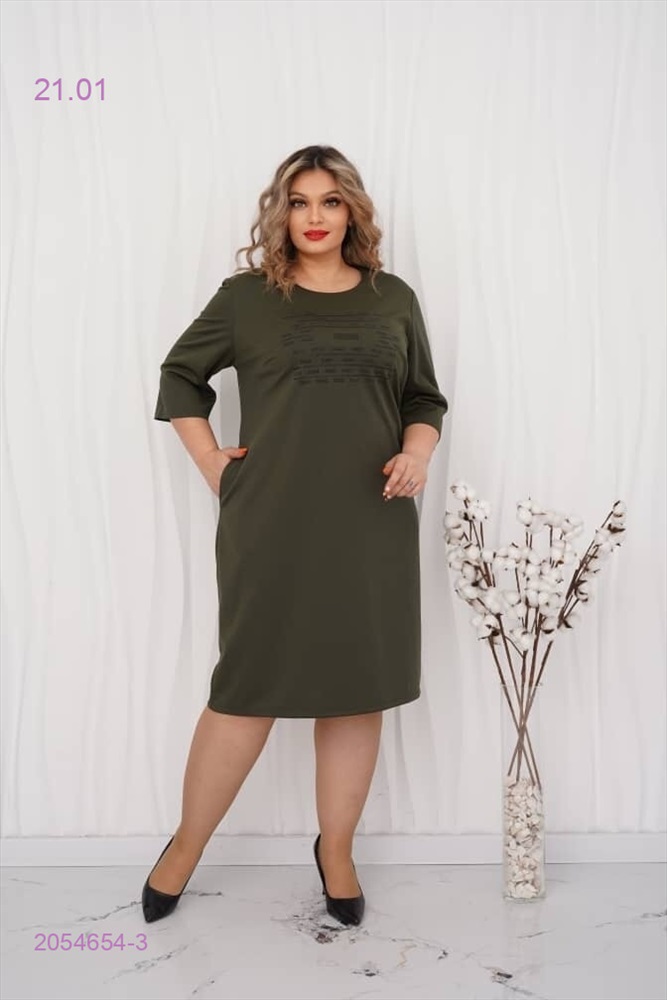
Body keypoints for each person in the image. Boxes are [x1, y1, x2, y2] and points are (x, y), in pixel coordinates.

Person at [142, 144, 449, 927]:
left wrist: (416, 452)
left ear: (352, 212)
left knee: (355, 690)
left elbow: (422, 398)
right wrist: (209, 459)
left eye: (330, 201)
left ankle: (335, 851)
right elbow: (180, 375)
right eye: (300, 202)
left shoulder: (391, 299)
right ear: (280, 213)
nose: (315, 217)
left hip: (371, 522)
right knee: (247, 688)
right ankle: (185, 846)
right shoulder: (247, 298)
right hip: (271, 520)